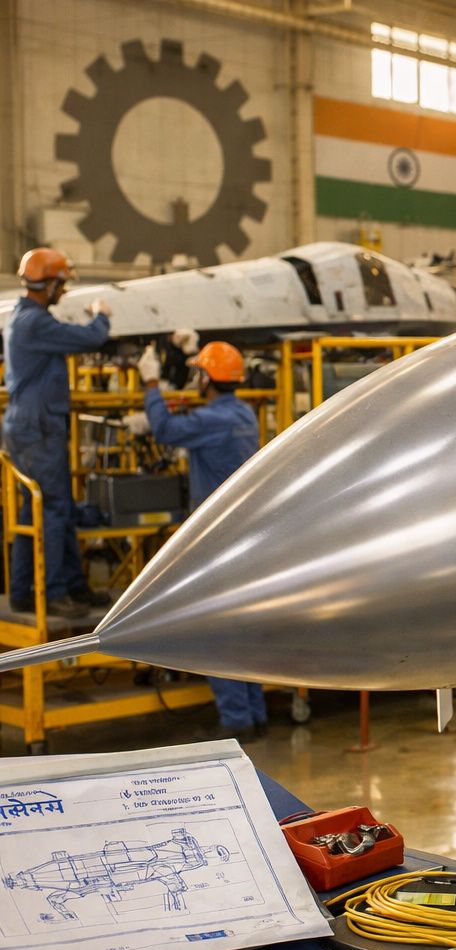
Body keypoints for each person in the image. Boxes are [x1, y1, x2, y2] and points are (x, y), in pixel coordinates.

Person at [128, 338, 263, 737]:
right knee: (242, 627)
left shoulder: (212, 420)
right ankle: (255, 714)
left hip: (214, 541)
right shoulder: (244, 414)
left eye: (199, 374)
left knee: (216, 630)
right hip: (243, 536)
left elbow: (165, 430)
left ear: (206, 378)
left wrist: (151, 386)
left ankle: (237, 720)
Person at [3, 248, 113, 618]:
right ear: (48, 284)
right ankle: (52, 593)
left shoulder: (24, 318)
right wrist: (101, 315)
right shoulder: (34, 323)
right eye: (61, 285)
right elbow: (90, 339)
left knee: (41, 508)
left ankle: (41, 589)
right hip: (38, 428)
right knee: (52, 508)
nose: (63, 292)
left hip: (34, 426)